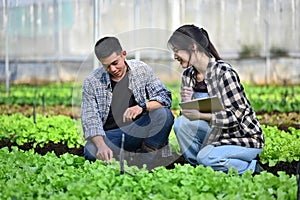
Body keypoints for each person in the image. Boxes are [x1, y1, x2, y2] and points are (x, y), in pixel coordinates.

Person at [167, 24, 264, 175]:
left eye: (176, 51)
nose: (174, 56)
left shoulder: (224, 73)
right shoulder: (188, 76)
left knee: (208, 158)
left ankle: (251, 169)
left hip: (243, 138)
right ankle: (200, 169)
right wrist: (187, 104)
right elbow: (188, 122)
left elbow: (235, 118)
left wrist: (200, 114)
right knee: (181, 124)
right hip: (215, 135)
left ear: (193, 47)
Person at [81, 36, 174, 170]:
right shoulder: (92, 82)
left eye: (115, 63)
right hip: (112, 136)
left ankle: (145, 163)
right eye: (107, 66)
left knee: (163, 114)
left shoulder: (141, 70)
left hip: (139, 128)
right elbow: (90, 119)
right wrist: (101, 146)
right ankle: (127, 157)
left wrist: (142, 107)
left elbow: (164, 97)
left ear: (123, 54)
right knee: (90, 151)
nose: (113, 69)